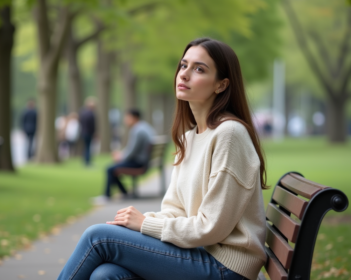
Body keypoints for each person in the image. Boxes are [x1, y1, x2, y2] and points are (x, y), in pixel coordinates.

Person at [57, 38, 268, 280]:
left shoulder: (229, 135)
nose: (185, 74)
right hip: (202, 254)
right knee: (106, 275)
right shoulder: (190, 137)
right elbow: (175, 210)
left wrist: (144, 225)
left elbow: (212, 227)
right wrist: (140, 221)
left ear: (221, 85)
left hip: (226, 267)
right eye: (183, 65)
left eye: (199, 69)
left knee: (98, 237)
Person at [93, 109, 155, 204]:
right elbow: (132, 149)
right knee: (113, 169)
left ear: (134, 118)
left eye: (127, 117)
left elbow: (132, 151)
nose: (125, 120)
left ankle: (107, 196)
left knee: (110, 169)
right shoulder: (145, 127)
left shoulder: (137, 130)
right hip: (144, 161)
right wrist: (121, 154)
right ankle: (124, 192)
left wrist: (120, 157)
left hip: (139, 163)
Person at [79, 97, 96, 166]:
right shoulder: (91, 114)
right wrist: (94, 132)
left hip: (83, 132)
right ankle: (87, 162)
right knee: (88, 147)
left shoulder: (82, 112)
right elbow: (92, 125)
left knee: (86, 147)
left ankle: (85, 160)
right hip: (89, 133)